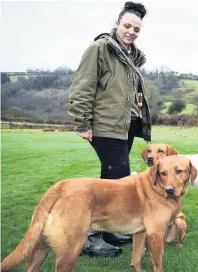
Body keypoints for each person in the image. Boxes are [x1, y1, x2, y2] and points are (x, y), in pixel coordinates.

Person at [68, 1, 152, 257]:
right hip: (105, 126)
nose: (131, 32)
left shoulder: (130, 56)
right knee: (117, 180)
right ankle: (89, 238)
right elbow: (83, 86)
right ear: (116, 24)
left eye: (136, 29)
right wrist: (82, 122)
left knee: (113, 179)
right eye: (127, 26)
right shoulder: (100, 49)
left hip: (123, 127)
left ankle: (107, 229)